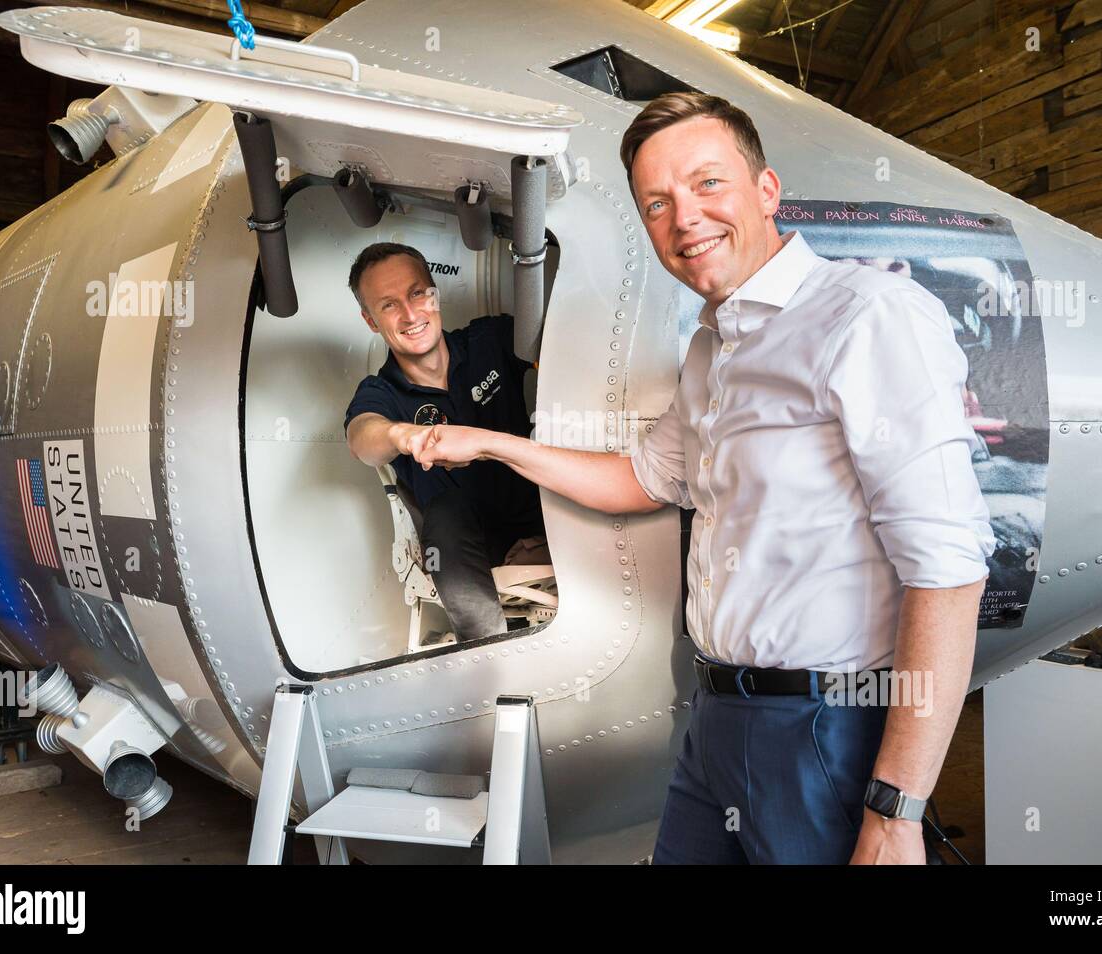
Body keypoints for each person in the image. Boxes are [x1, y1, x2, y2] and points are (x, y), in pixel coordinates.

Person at [414, 92, 995, 864]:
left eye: (707, 184)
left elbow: (949, 573)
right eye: (657, 203)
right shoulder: (709, 351)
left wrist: (895, 813)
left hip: (824, 728)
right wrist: (490, 444)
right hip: (717, 718)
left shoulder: (868, 316)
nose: (684, 217)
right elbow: (644, 481)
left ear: (767, 191)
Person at [343, 242, 546, 642]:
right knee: (447, 509)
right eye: (388, 305)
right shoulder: (382, 392)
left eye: (417, 293)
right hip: (469, 550)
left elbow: (556, 350)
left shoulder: (488, 340)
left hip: (548, 517)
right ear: (370, 320)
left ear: (434, 294)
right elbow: (362, 437)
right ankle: (485, 648)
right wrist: (404, 434)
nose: (409, 314)